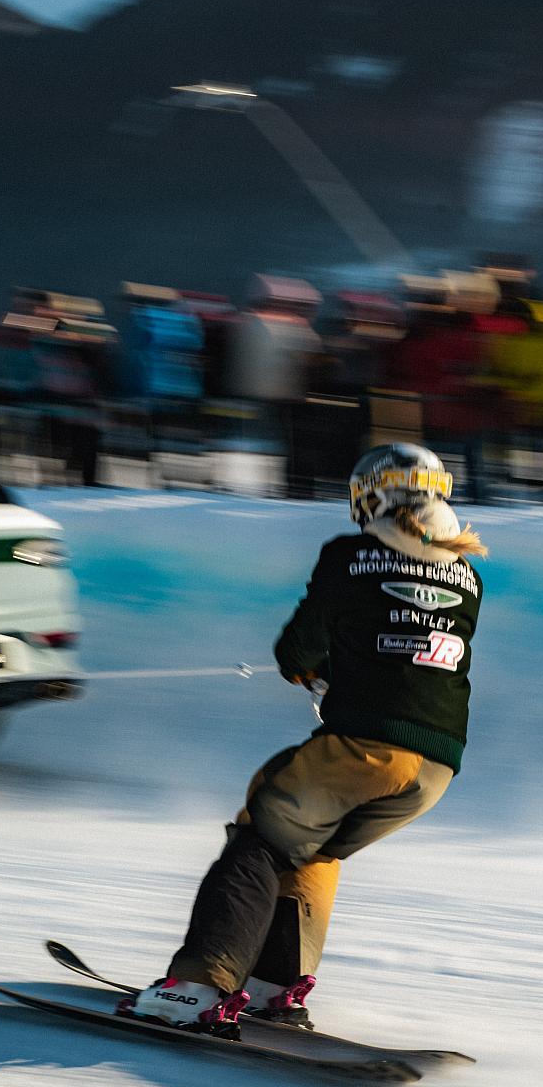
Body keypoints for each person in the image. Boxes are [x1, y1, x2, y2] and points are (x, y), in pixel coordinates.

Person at [119, 444, 488, 1036]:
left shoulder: (351, 556)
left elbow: (298, 648)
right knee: (312, 848)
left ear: (372, 496)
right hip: (435, 768)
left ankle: (195, 989)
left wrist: (305, 668)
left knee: (260, 836)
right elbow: (403, 642)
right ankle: (271, 987)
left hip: (367, 748)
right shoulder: (466, 573)